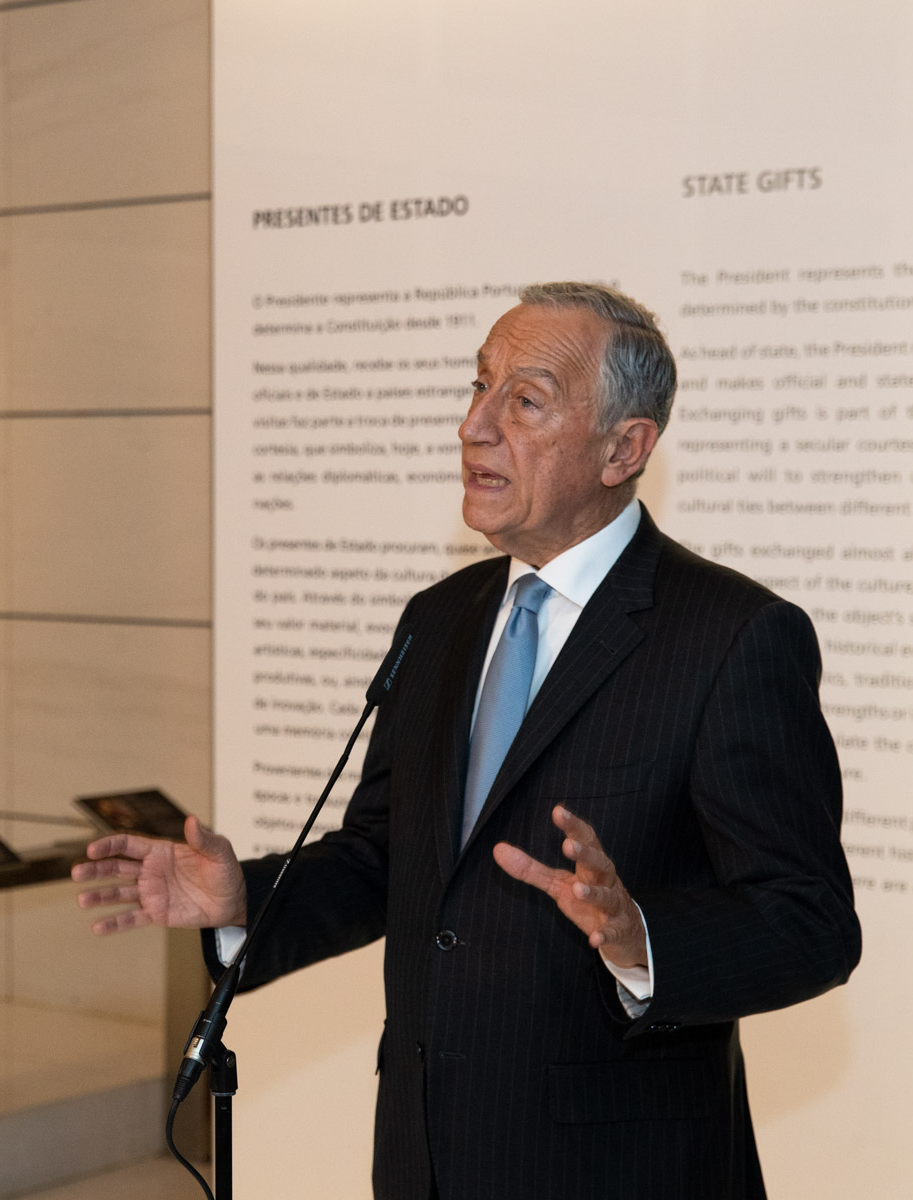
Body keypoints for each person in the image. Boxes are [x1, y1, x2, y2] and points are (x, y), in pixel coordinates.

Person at [73, 283, 860, 1199]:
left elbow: (810, 923)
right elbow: (385, 857)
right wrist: (244, 898)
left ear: (624, 448)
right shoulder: (440, 619)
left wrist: (640, 937)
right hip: (427, 1153)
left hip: (615, 1168)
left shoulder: (732, 636)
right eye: (479, 387)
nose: (474, 427)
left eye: (525, 401)